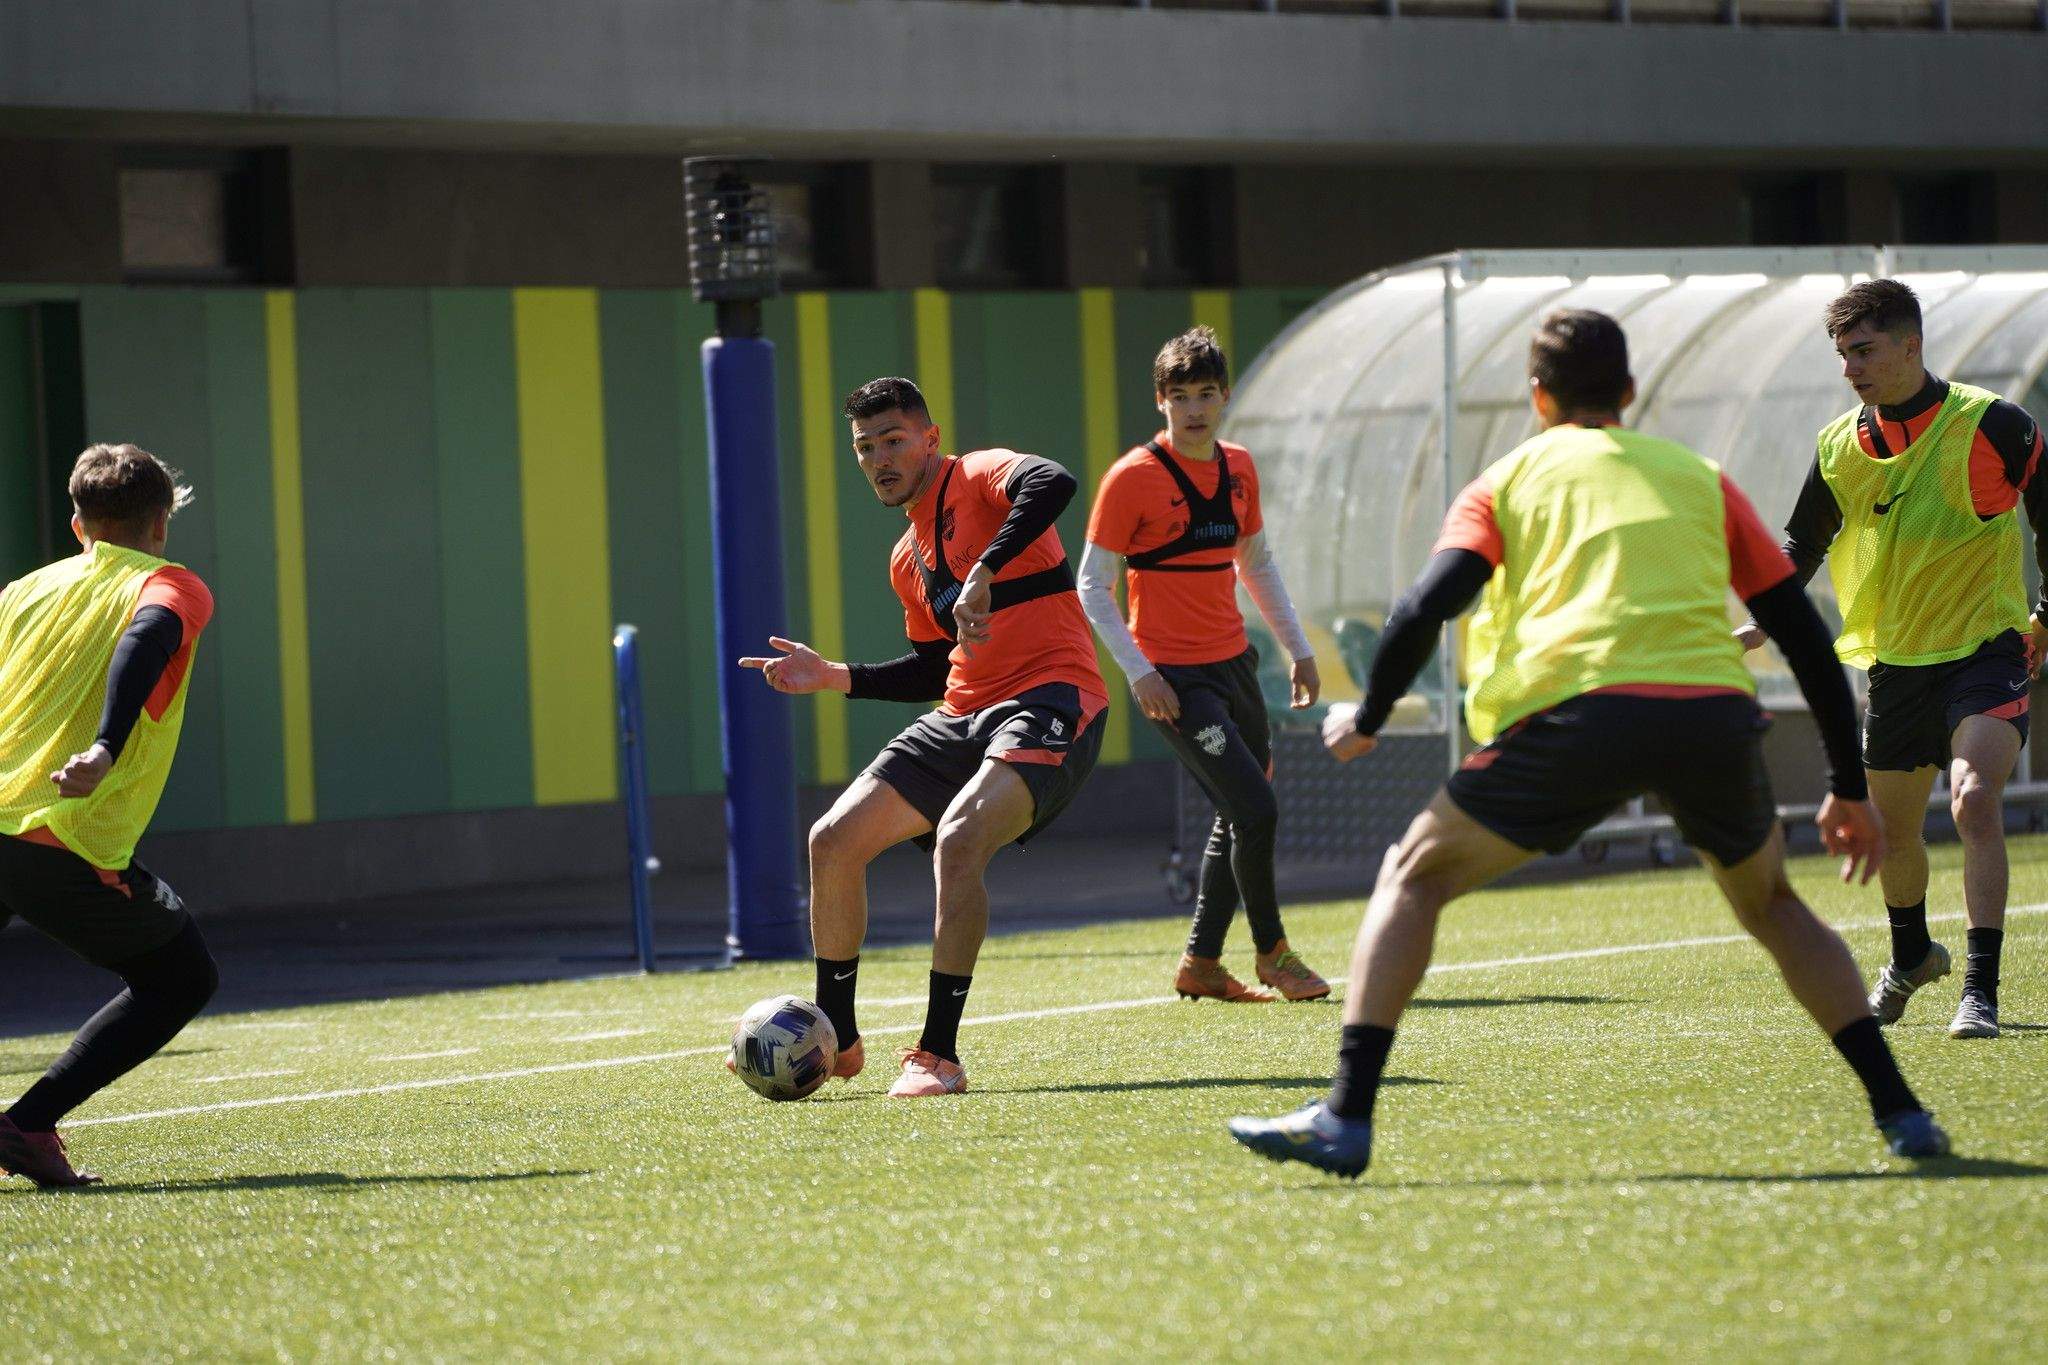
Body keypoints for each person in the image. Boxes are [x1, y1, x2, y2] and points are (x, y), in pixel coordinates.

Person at [1228, 310, 1950, 1178]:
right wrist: (1845, 782)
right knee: (1775, 909)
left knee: (1413, 877)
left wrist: (1371, 716)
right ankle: (1901, 1111)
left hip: (1580, 715)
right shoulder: (1699, 478)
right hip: (1710, 719)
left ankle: (1346, 1114)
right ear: (1631, 393)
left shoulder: (1507, 479)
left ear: (1538, 396)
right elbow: (1799, 629)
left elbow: (1425, 605)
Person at [738, 378, 1107, 1098]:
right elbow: (935, 668)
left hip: (1052, 694)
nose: (879, 457)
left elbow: (1054, 481)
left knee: (959, 838)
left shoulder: (980, 473)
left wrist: (985, 572)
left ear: (930, 438)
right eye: (865, 447)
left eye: (894, 440)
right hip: (963, 710)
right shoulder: (906, 560)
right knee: (832, 839)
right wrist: (834, 674)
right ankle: (838, 1037)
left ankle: (938, 1054)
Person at [1736, 278, 2044, 1041]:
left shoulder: (1994, 425)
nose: (1851, 369)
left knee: (1974, 799)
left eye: (1864, 351)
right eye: (1842, 354)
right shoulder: (1841, 446)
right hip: (1898, 664)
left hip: (1989, 649)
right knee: (1893, 833)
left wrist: (2045, 616)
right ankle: (1912, 956)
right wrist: (1760, 624)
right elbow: (1800, 547)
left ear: (1912, 345)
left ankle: (1981, 991)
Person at [1078, 326, 1328, 1003]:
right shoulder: (1132, 478)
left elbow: (1258, 562)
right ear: (1160, 401)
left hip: (1235, 667)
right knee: (1257, 807)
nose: (1194, 408)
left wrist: (1297, 649)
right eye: (1180, 395)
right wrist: (1141, 672)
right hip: (1175, 680)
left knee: (1237, 812)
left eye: (1207, 394)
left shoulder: (1239, 466)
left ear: (1224, 398)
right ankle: (1274, 952)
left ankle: (1201, 964)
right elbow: (1092, 586)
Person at [0, 444, 220, 1188]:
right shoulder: (171, 584)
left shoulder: (21, 591)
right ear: (160, 522)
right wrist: (103, 745)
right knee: (181, 975)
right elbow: (145, 636)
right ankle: (29, 1122)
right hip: (57, 833)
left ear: (77, 524)